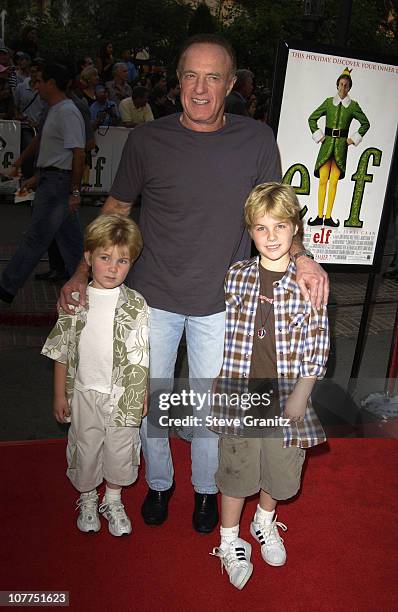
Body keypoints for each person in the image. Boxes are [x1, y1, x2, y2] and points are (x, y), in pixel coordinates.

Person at [59, 34, 329, 535]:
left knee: (211, 408)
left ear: (231, 85)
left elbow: (277, 211)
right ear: (176, 82)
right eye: (190, 76)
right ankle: (160, 483)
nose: (200, 89)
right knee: (151, 403)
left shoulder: (255, 139)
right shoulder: (147, 141)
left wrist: (305, 260)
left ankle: (207, 490)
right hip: (152, 300)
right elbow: (115, 212)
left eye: (213, 77)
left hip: (221, 304)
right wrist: (80, 271)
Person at [210, 183, 329, 589]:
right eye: (261, 228)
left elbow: (318, 341)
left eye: (281, 226)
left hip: (285, 400)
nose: (272, 236)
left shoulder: (308, 281)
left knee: (279, 471)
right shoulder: (236, 276)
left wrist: (302, 392)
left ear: (295, 228)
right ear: (250, 231)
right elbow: (221, 334)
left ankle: (264, 519)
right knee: (235, 469)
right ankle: (228, 540)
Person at [42, 214, 149, 536]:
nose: (113, 267)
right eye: (105, 258)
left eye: (122, 260)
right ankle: (88, 498)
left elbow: (142, 353)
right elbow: (62, 349)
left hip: (123, 394)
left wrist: (142, 393)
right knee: (85, 447)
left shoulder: (137, 305)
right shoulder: (75, 301)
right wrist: (60, 394)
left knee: (121, 449)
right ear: (88, 258)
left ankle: (112, 499)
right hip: (84, 392)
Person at [0, 63, 85, 304]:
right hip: (53, 181)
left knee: (37, 238)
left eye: (39, 81)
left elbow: (77, 154)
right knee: (71, 242)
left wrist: (75, 192)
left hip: (57, 184)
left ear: (52, 83)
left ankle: (6, 287)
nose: (36, 86)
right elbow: (56, 156)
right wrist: (36, 178)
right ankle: (91, 287)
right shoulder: (55, 110)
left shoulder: (67, 112)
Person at [308, 68, 370, 227]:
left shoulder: (353, 106)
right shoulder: (329, 102)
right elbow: (312, 118)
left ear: (349, 87)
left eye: (346, 85)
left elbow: (365, 123)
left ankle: (328, 216)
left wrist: (352, 139)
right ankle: (319, 216)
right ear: (337, 85)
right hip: (327, 145)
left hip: (341, 148)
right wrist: (319, 136)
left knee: (333, 182)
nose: (343, 88)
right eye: (341, 84)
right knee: (323, 180)